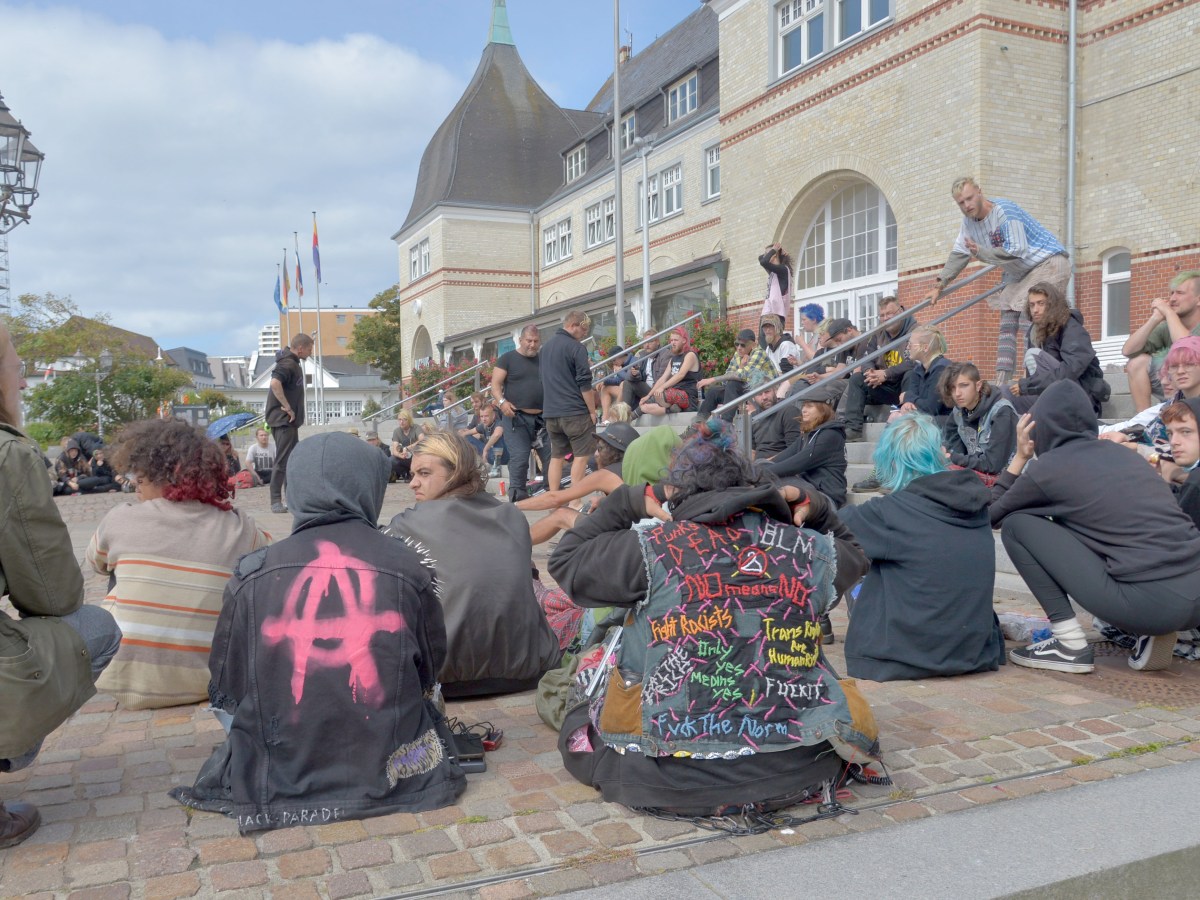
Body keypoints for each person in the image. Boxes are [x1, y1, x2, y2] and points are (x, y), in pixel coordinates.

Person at [548, 418, 875, 815]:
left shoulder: (651, 547)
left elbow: (565, 561)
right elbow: (855, 554)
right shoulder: (808, 549)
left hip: (666, 774)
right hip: (797, 762)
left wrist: (628, 501)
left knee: (579, 711)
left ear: (680, 494)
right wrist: (818, 505)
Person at [171, 432, 465, 832]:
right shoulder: (407, 565)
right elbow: (430, 670)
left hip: (276, 775)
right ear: (369, 486)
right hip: (396, 772)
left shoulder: (252, 571)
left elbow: (227, 684)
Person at [0, 323, 123, 849]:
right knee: (94, 627)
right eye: (17, 370)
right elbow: (52, 595)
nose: (23, 385)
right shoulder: (8, 454)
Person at [991, 381, 1200, 673]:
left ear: (1039, 426)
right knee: (1105, 530)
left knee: (1017, 525)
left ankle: (1068, 643)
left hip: (1150, 602)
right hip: (1194, 590)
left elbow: (989, 516)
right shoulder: (1128, 456)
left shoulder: (1049, 468)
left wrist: (1020, 458)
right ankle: (1150, 631)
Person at [88, 418, 273, 709]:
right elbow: (268, 561)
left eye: (141, 475)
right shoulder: (240, 527)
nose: (135, 483)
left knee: (115, 574)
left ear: (158, 476)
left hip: (122, 681)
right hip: (210, 679)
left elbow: (96, 564)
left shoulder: (121, 518)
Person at [385, 431, 560, 697]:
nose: (413, 483)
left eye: (424, 473)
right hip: (529, 669)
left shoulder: (406, 524)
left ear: (456, 471)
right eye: (412, 474)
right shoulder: (511, 515)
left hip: (442, 677)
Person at [837, 414, 1004, 681]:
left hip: (901, 657)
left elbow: (827, 525)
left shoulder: (888, 513)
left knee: (842, 548)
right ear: (941, 454)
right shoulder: (976, 505)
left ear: (890, 461)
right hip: (973, 653)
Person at [924, 177, 1069, 384]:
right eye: (961, 203)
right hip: (1021, 272)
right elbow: (959, 254)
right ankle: (1002, 381)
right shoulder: (969, 224)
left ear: (980, 192)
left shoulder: (1004, 212)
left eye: (969, 198)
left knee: (1032, 314)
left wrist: (981, 252)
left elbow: (1017, 250)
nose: (967, 206)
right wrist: (939, 285)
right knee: (1008, 319)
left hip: (1048, 262)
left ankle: (1034, 377)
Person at [518, 422, 639, 545]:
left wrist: (515, 506)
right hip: (636, 532)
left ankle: (511, 544)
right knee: (591, 510)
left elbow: (554, 498)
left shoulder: (605, 475)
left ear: (612, 452)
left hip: (621, 536)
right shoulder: (634, 469)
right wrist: (603, 501)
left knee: (561, 514)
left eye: (600, 449)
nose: (596, 454)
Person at [1010, 282, 1108, 414]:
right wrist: (1027, 386)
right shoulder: (1034, 331)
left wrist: (1028, 386)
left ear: (1052, 305)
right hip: (1047, 394)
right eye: (1032, 305)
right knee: (1004, 393)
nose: (1035, 310)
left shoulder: (1072, 328)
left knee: (1033, 355)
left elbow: (1069, 372)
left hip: (1079, 398)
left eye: (1041, 303)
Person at [1121, 271, 1200, 411]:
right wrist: (1155, 318)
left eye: (1180, 293)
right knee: (1136, 362)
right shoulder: (1166, 327)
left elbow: (1187, 346)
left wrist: (1168, 312)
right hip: (1176, 384)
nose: (1172, 299)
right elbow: (1128, 350)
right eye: (1172, 293)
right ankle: (1143, 420)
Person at [841, 297, 917, 441]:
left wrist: (886, 374)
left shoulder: (914, 331)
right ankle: (853, 429)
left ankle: (907, 424)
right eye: (882, 315)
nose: (885, 318)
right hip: (883, 385)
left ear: (901, 311)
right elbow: (867, 358)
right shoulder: (878, 333)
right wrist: (871, 373)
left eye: (890, 314)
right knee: (857, 378)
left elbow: (915, 362)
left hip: (905, 386)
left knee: (911, 373)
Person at [492, 324, 552, 502]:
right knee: (519, 459)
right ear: (520, 340)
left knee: (551, 458)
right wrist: (502, 402)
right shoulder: (507, 359)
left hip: (543, 419)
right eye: (529, 341)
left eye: (536, 341)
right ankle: (517, 498)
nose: (532, 345)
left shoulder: (544, 359)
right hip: (516, 418)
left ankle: (551, 493)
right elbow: (495, 386)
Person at [539, 311, 596, 495]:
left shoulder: (545, 348)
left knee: (556, 457)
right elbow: (584, 384)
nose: (585, 333)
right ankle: (575, 499)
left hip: (551, 413)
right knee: (581, 456)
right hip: (575, 413)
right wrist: (593, 411)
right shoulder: (576, 347)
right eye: (584, 329)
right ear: (574, 325)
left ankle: (553, 498)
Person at [940, 361, 1018, 481]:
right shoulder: (958, 411)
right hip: (977, 478)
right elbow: (952, 445)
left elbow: (993, 465)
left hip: (1007, 482)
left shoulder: (1002, 412)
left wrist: (952, 457)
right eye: (953, 387)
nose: (957, 393)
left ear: (978, 385)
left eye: (963, 385)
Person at [764, 398, 848, 506]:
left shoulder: (830, 435)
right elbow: (782, 458)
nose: (803, 410)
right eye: (803, 406)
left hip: (825, 497)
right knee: (762, 465)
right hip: (809, 488)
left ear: (823, 410)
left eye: (809, 406)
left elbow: (795, 464)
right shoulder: (808, 435)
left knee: (772, 482)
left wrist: (758, 474)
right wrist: (756, 469)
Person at [265, 332, 314, 514]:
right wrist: (287, 407)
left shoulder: (292, 362)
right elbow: (275, 383)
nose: (310, 353)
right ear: (300, 348)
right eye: (309, 349)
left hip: (288, 422)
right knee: (283, 460)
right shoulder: (288, 363)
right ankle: (276, 500)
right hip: (283, 420)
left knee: (291, 460)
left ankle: (291, 499)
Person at [696, 328, 778, 421]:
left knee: (733, 384)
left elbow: (741, 376)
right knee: (713, 392)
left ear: (753, 345)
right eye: (737, 344)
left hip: (765, 391)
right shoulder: (737, 354)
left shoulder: (759, 353)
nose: (739, 347)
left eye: (743, 345)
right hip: (748, 390)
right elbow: (727, 379)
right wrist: (741, 367)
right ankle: (697, 426)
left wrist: (712, 379)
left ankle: (725, 423)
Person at [638, 326, 701, 417]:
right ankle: (671, 409)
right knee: (644, 406)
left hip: (688, 395)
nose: (672, 343)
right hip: (672, 395)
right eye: (671, 340)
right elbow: (662, 379)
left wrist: (662, 388)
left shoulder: (690, 355)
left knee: (663, 394)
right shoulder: (673, 359)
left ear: (684, 340)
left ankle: (671, 407)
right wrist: (648, 395)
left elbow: (680, 374)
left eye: (675, 340)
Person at [1158, 398, 1200, 529]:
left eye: (1185, 432)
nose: (1174, 441)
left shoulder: (1196, 483)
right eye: (1170, 433)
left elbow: (1181, 538)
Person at [898, 326, 952, 423]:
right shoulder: (917, 370)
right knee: (895, 416)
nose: (907, 347)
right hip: (924, 418)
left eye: (911, 344)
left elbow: (931, 408)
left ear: (925, 347)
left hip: (943, 421)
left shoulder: (941, 369)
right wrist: (907, 403)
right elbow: (912, 402)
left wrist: (907, 396)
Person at [758, 242, 794, 346]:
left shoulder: (783, 270)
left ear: (773, 256)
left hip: (776, 316)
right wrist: (778, 252)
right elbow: (760, 259)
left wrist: (774, 250)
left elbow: (763, 261)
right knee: (763, 345)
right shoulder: (773, 272)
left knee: (772, 346)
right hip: (768, 314)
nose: (765, 256)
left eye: (767, 254)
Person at [620, 330, 664, 410]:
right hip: (646, 389)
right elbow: (629, 374)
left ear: (657, 342)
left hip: (657, 391)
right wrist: (635, 374)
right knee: (626, 383)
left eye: (650, 342)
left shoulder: (664, 354)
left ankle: (624, 415)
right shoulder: (642, 355)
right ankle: (624, 414)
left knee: (625, 384)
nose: (647, 345)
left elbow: (662, 380)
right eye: (645, 342)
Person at [598, 345, 632, 424]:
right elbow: (618, 380)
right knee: (605, 388)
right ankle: (605, 418)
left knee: (623, 384)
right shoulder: (622, 364)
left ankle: (615, 416)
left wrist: (619, 371)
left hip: (633, 390)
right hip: (625, 388)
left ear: (619, 356)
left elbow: (630, 379)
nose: (613, 363)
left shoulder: (633, 361)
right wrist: (604, 381)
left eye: (613, 360)